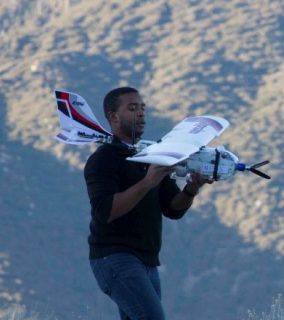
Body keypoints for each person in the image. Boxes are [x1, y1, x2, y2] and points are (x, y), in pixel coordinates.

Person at [84, 87, 210, 320]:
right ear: (113, 117)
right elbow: (106, 212)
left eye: (143, 108)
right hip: (114, 258)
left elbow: (172, 208)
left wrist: (191, 189)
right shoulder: (102, 160)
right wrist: (147, 182)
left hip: (148, 262)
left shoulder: (153, 154)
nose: (141, 114)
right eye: (132, 109)